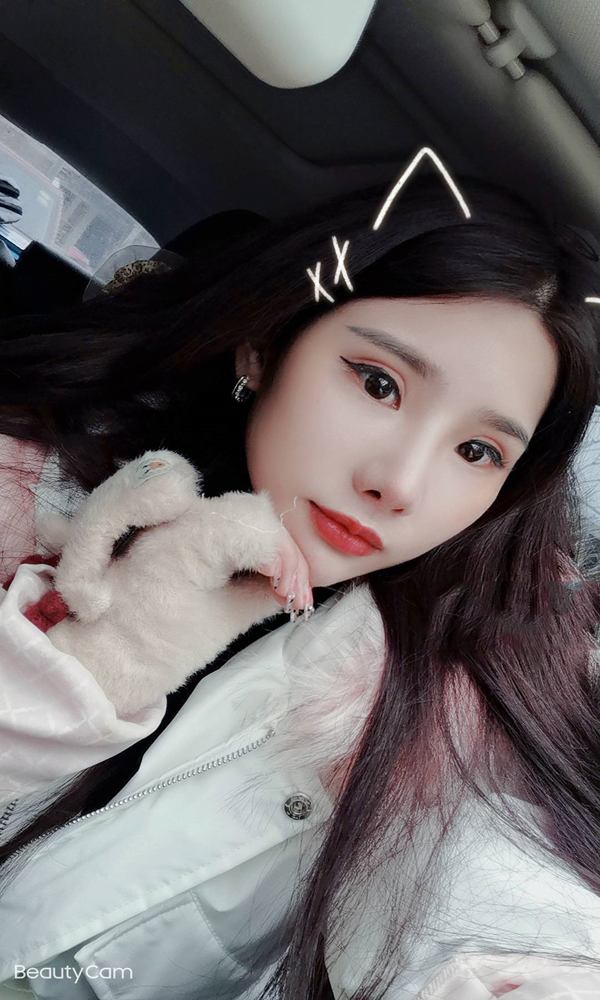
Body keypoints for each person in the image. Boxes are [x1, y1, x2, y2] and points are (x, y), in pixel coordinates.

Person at [0, 169, 599, 1000]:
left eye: (477, 452)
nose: (400, 483)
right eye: (379, 383)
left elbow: (501, 898)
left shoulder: (436, 704)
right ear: (266, 344)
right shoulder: (24, 496)